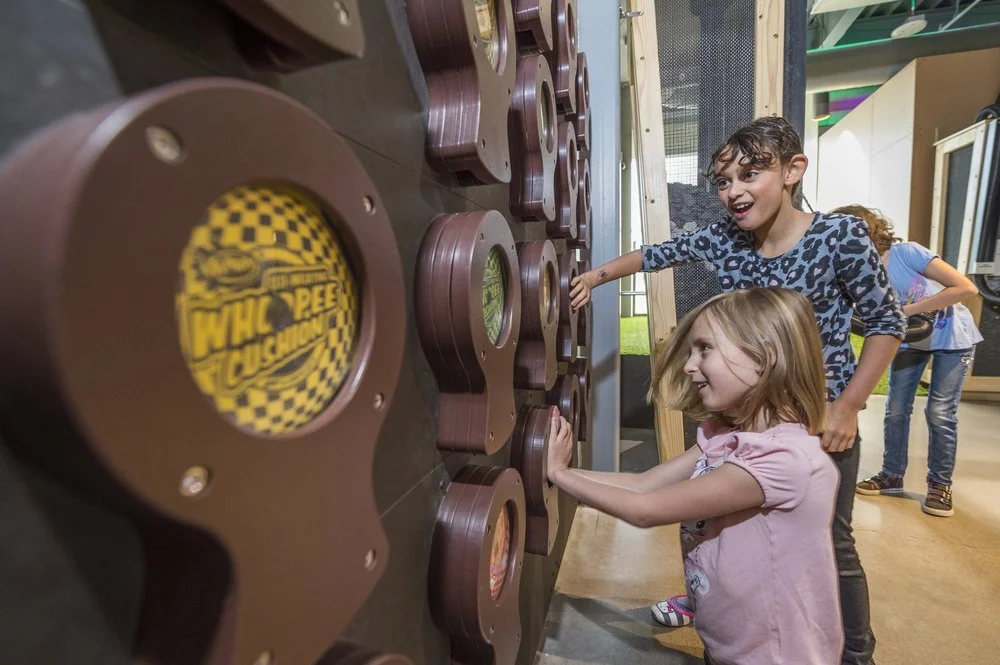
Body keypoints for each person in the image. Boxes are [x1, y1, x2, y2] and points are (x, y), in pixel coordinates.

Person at [570, 116, 905, 665]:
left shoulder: (838, 237)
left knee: (831, 544)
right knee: (711, 524)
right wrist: (596, 277)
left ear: (794, 170)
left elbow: (886, 323)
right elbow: (656, 255)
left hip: (814, 423)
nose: (734, 191)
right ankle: (713, 600)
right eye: (724, 182)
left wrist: (846, 407)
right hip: (740, 420)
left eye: (752, 174)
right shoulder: (723, 238)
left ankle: (854, 654)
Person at [548, 288, 843, 665]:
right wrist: (566, 472)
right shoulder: (726, 436)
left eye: (704, 349)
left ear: (765, 358)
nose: (690, 365)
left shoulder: (783, 461)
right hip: (729, 641)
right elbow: (646, 483)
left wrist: (557, 473)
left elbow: (645, 508)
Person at [837, 205, 983, 517]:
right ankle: (891, 475)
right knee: (896, 409)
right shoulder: (860, 271)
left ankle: (939, 484)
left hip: (951, 339)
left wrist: (908, 311)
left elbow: (965, 288)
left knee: (940, 412)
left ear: (868, 233)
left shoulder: (907, 253)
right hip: (907, 340)